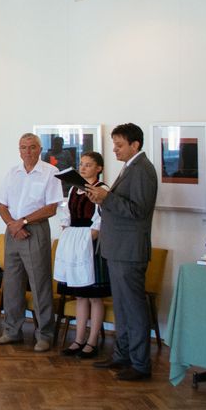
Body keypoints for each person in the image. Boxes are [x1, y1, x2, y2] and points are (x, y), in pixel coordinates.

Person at [85, 123, 158, 380]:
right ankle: (122, 355)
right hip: (117, 248)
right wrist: (100, 199)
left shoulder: (142, 170)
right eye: (114, 144)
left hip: (129, 250)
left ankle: (140, 364)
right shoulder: (130, 167)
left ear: (135, 145)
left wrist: (106, 197)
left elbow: (138, 210)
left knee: (134, 309)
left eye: (119, 145)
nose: (114, 149)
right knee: (123, 307)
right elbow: (120, 206)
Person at [0, 133, 63, 352]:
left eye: (32, 147)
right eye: (23, 147)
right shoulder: (12, 173)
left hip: (35, 231)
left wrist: (22, 222)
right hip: (13, 231)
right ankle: (12, 331)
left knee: (40, 284)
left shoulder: (50, 172)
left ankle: (45, 335)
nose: (28, 151)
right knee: (12, 284)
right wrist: (13, 225)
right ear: (19, 150)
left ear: (40, 149)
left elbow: (51, 208)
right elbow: (1, 205)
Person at [54, 152, 110, 358]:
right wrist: (67, 231)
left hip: (91, 244)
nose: (83, 168)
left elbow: (101, 219)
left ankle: (92, 341)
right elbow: (67, 215)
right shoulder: (73, 190)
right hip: (74, 243)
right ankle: (78, 339)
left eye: (88, 165)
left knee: (94, 297)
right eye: (82, 164)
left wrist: (89, 237)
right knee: (80, 295)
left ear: (99, 168)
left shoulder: (102, 189)